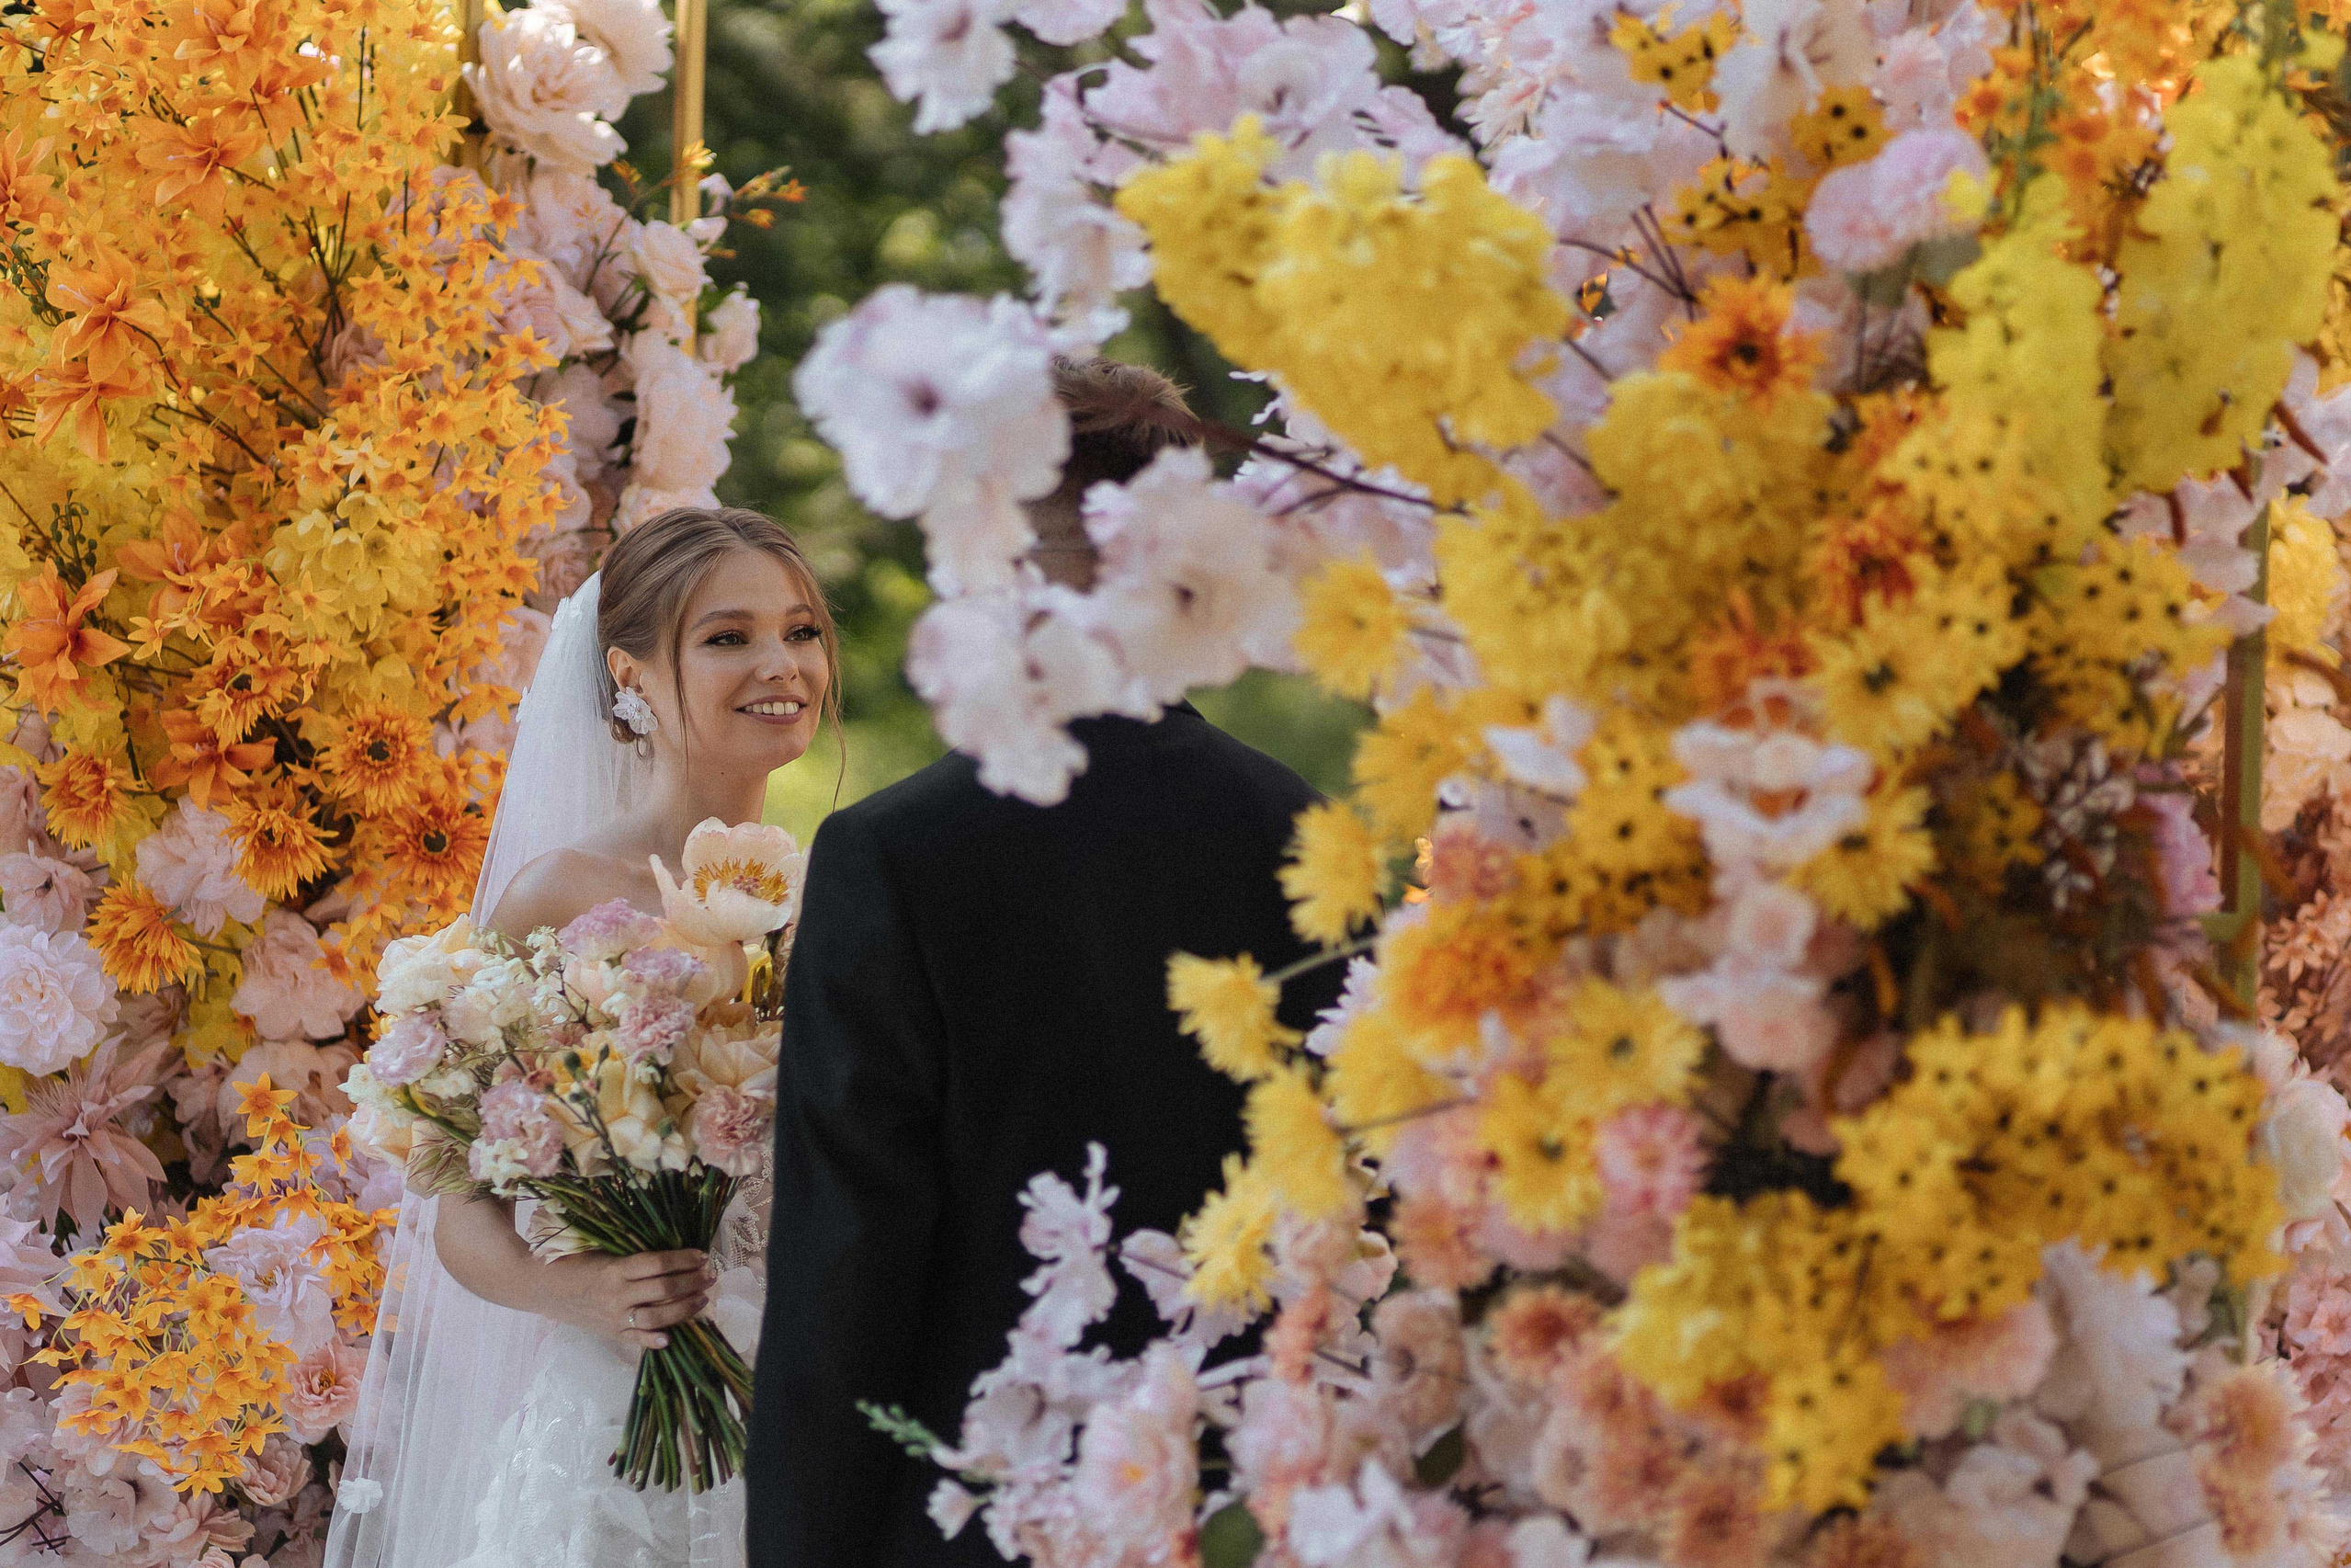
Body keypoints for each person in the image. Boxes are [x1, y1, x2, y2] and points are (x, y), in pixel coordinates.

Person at [745, 362, 1337, 1567]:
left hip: (978, 1517)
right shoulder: (1298, 830)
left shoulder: (890, 854)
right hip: (1252, 1513)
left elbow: (845, 1271)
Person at [326, 506, 839, 1568]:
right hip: (621, 1429)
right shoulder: (560, 896)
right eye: (727, 635)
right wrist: (578, 1289)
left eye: (800, 629)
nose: (781, 662)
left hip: (812, 1406)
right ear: (631, 673)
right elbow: (455, 1210)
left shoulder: (844, 892)